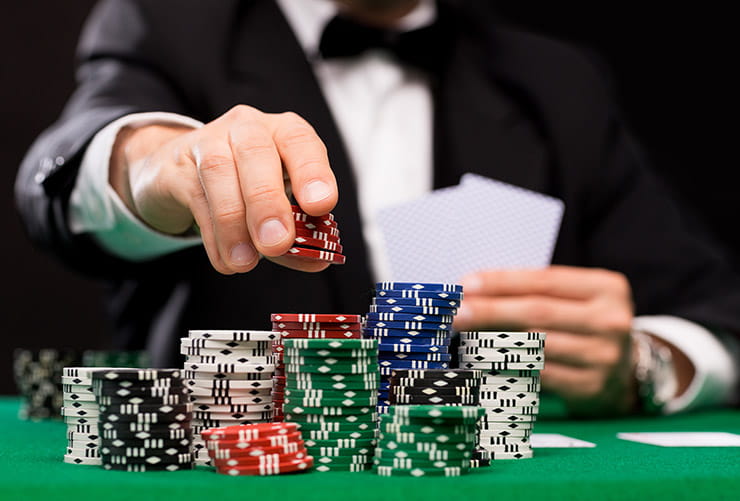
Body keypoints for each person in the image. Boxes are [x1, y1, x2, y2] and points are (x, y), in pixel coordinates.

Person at [15, 0, 740, 417]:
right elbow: (75, 167)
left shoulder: (556, 84)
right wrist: (155, 163)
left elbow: (719, 311)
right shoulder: (167, 23)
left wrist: (646, 362)